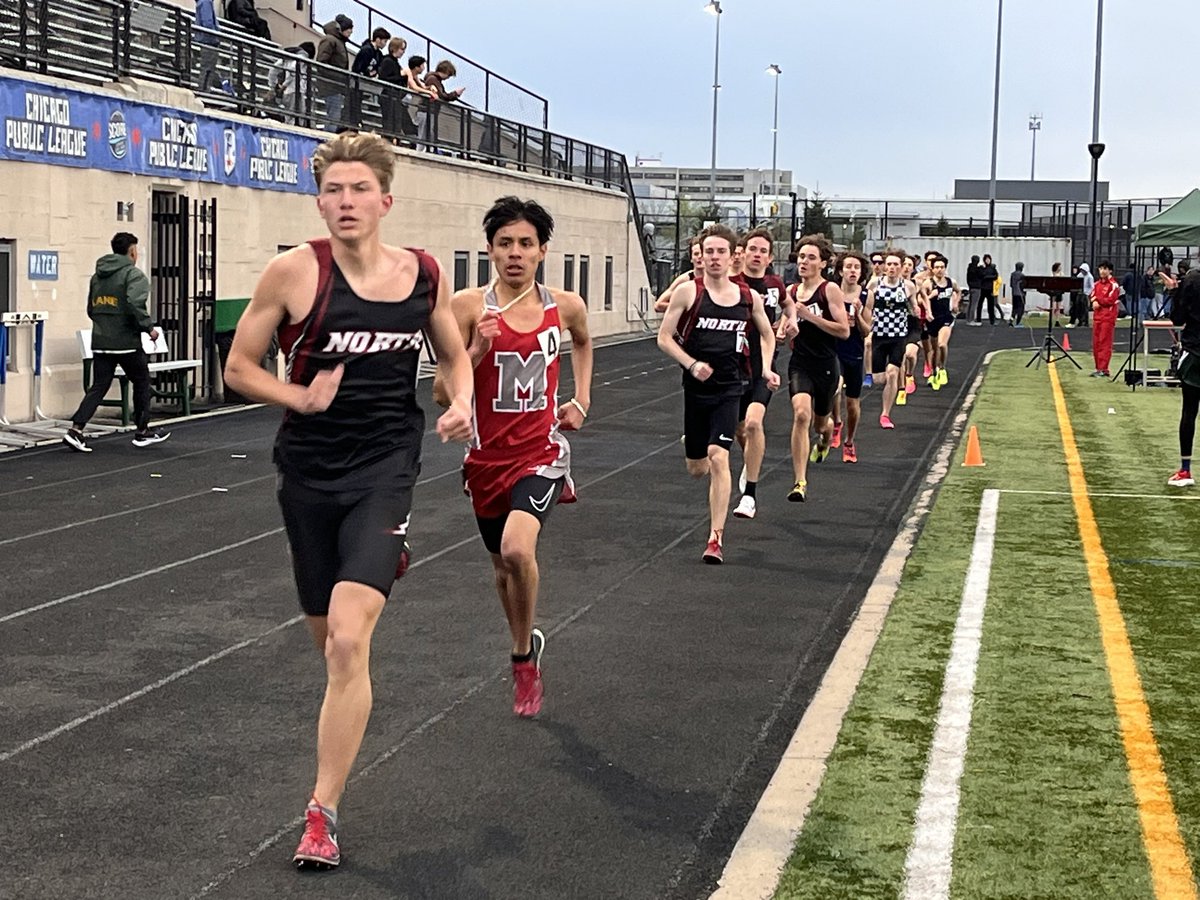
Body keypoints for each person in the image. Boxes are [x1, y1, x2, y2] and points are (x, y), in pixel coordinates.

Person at [222, 132, 474, 871]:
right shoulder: (294, 273)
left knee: (348, 639)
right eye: (333, 190)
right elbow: (238, 366)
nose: (345, 202)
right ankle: (374, 565)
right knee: (328, 645)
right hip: (308, 472)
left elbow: (453, 352)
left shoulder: (423, 273)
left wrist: (461, 403)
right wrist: (296, 394)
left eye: (359, 189)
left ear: (385, 200)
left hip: (385, 468)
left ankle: (321, 813)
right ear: (319, 200)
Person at [433, 197, 592, 717]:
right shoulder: (466, 308)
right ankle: (526, 642)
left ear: (543, 251)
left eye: (526, 244)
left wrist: (581, 398)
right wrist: (475, 352)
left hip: (540, 452)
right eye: (505, 244)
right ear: (490, 250)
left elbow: (584, 343)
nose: (515, 253)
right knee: (502, 567)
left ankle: (522, 662)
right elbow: (440, 390)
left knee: (518, 550)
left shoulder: (563, 306)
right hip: (485, 459)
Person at [657, 223, 778, 563]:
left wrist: (767, 367)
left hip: (729, 388)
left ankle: (715, 539)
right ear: (701, 255)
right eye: (708, 251)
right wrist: (691, 364)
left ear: (732, 256)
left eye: (720, 251)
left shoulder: (746, 297)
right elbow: (664, 338)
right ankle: (696, 443)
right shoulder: (688, 292)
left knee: (719, 456)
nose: (713, 257)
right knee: (697, 468)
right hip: (696, 390)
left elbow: (767, 335)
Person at [62, 233, 170, 452]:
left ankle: (76, 430)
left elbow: (91, 309)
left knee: (99, 385)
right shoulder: (133, 275)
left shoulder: (97, 276)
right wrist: (148, 327)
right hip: (126, 342)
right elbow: (134, 303)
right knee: (141, 381)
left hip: (101, 340)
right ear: (132, 251)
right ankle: (142, 431)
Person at [732, 227, 796, 518]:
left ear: (770, 257)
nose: (756, 255)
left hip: (762, 363)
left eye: (762, 251)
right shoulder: (731, 283)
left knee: (754, 424)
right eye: (752, 249)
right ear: (743, 252)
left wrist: (789, 321)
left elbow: (788, 304)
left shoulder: (774, 283)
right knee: (739, 428)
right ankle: (750, 459)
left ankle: (750, 495)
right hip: (732, 364)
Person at [784, 235, 850, 502]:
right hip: (800, 363)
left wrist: (810, 316)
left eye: (811, 257)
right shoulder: (790, 292)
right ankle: (800, 481)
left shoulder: (829, 290)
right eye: (801, 256)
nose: (804, 261)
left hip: (825, 365)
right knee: (801, 415)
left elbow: (844, 330)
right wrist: (782, 331)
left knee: (820, 424)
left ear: (823, 263)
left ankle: (826, 434)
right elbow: (786, 322)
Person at [867, 250, 918, 429]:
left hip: (898, 337)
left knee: (893, 374)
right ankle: (885, 390)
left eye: (896, 264)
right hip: (879, 336)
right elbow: (866, 307)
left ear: (901, 266)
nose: (891, 268)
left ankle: (885, 414)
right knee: (879, 379)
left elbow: (914, 306)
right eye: (889, 264)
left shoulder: (908, 286)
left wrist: (916, 310)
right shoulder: (874, 284)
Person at [830, 251, 871, 463]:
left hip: (854, 353)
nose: (852, 271)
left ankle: (849, 441)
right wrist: (841, 323)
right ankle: (836, 422)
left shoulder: (866, 295)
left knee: (853, 405)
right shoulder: (831, 291)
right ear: (840, 270)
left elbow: (867, 330)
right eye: (848, 267)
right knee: (835, 386)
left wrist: (858, 314)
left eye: (857, 267)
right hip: (834, 350)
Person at [1168, 267, 1200, 487]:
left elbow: (1177, 318)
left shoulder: (1192, 279)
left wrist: (1175, 292)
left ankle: (1185, 470)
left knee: (1189, 410)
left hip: (1195, 351)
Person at [920, 255, 959, 388]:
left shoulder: (950, 282)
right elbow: (923, 299)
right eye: (937, 267)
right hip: (932, 320)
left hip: (946, 318)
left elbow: (958, 292)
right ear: (932, 268)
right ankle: (933, 373)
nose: (939, 270)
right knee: (934, 349)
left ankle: (942, 368)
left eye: (942, 267)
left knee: (942, 345)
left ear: (945, 268)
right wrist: (928, 312)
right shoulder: (928, 283)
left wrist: (955, 303)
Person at [316, 15, 353, 133]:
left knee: (335, 115)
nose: (351, 31)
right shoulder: (330, 40)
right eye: (349, 28)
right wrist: (336, 76)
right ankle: (328, 138)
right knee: (333, 115)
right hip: (330, 85)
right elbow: (321, 61)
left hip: (336, 85)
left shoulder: (339, 42)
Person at [347, 26, 389, 130]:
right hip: (357, 83)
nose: (385, 44)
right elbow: (356, 67)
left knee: (357, 105)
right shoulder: (366, 50)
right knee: (353, 105)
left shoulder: (378, 54)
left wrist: (375, 73)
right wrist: (367, 73)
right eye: (384, 41)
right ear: (378, 39)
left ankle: (356, 124)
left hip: (364, 83)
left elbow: (379, 67)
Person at [654, 237, 702, 313]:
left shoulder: (720, 279)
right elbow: (658, 305)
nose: (700, 257)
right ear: (691, 258)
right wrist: (685, 307)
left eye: (703, 253)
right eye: (696, 254)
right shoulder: (685, 279)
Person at [1089, 260, 1120, 377]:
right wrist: (1094, 300)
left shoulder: (1113, 285)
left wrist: (1098, 301)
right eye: (1101, 268)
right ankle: (1098, 368)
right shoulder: (1097, 284)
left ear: (1110, 271)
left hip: (1107, 317)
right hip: (1097, 317)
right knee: (1096, 343)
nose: (1102, 271)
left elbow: (1111, 300)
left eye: (1105, 269)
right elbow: (1092, 295)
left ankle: (1104, 369)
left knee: (1105, 343)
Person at [376, 37, 409, 141]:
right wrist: (401, 76)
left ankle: (393, 139)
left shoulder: (395, 62)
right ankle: (388, 140)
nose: (403, 52)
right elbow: (384, 78)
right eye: (401, 49)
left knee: (395, 122)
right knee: (389, 122)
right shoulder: (387, 61)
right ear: (394, 48)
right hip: (388, 96)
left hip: (395, 96)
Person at [193, 0, 221, 92]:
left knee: (207, 68)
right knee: (208, 68)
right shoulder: (206, 2)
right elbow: (207, 22)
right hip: (209, 40)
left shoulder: (203, 2)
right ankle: (204, 90)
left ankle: (204, 89)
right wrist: (216, 34)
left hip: (206, 40)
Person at [977, 253, 999, 325]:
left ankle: (992, 320)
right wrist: (987, 277)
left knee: (991, 305)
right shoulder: (982, 268)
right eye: (986, 259)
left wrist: (987, 277)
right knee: (980, 304)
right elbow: (981, 276)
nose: (988, 261)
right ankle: (978, 319)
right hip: (983, 288)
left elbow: (996, 276)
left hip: (990, 289)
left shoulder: (993, 268)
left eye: (989, 259)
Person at [965, 254, 982, 325]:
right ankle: (971, 320)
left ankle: (968, 319)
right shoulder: (977, 269)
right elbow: (981, 275)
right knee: (974, 304)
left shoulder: (969, 268)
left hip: (971, 287)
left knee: (970, 303)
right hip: (977, 288)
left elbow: (968, 278)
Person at [1010, 261, 1026, 326]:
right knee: (1021, 309)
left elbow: (1011, 284)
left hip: (1014, 293)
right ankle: (1018, 322)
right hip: (1020, 294)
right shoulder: (1022, 275)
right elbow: (1023, 285)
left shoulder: (1012, 274)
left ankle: (1011, 321)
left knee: (1014, 308)